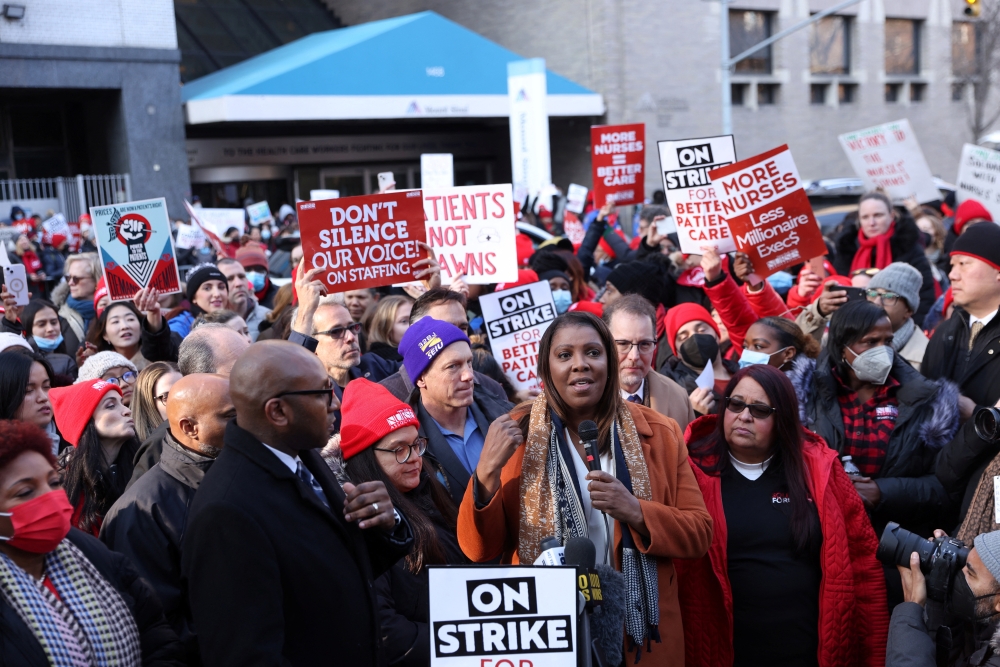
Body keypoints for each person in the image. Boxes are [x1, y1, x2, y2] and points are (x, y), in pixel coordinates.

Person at [458, 311, 713, 666]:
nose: (580, 365)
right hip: (547, 634)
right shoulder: (515, 433)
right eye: (565, 355)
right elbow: (477, 550)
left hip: (639, 640)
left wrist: (637, 511)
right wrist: (485, 473)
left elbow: (700, 533)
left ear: (610, 362)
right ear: (546, 369)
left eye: (593, 352)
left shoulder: (662, 432)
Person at [181, 341, 413, 666]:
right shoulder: (226, 511)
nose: (335, 403)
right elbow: (246, 654)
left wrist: (387, 524)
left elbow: (328, 575)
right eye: (321, 393)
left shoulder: (301, 453)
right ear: (278, 412)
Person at [678, 364, 888, 666]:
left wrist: (875, 656)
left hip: (806, 652)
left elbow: (863, 566)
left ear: (783, 419)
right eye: (735, 404)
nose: (744, 416)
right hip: (722, 653)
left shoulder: (820, 470)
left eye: (760, 410)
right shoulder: (690, 470)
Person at [0, 420, 184, 665]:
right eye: (25, 492)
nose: (50, 498)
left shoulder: (91, 552)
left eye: (54, 483)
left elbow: (154, 633)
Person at [102, 373, 234, 665]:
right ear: (190, 427)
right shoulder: (141, 511)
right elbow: (161, 626)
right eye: (231, 416)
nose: (245, 424)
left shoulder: (242, 473)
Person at [801, 300, 958, 541]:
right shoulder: (806, 394)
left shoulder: (923, 401)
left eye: (888, 341)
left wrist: (882, 492)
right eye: (870, 342)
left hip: (893, 541)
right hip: (822, 536)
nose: (883, 351)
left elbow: (942, 487)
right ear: (842, 346)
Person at [340, 379, 466, 666]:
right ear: (366, 458)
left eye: (416, 445)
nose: (414, 459)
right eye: (399, 449)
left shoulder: (431, 490)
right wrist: (460, 643)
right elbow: (384, 627)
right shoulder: (359, 518)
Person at [393, 318, 513, 506]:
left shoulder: (506, 414)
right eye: (453, 366)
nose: (468, 375)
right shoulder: (406, 446)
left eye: (469, 362)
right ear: (421, 378)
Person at [929, 222, 1000, 534]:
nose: (952, 274)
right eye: (952, 264)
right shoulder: (945, 331)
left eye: (965, 264)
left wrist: (977, 416)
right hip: (939, 492)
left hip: (988, 503)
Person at [128, 324, 250, 489]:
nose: (252, 377)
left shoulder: (258, 416)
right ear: (202, 378)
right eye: (237, 370)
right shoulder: (160, 446)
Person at [887, 528, 1000, 666]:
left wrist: (910, 615)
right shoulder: (987, 626)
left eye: (970, 573)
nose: (959, 571)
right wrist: (939, 598)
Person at [50, 378, 141, 535]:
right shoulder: (60, 486)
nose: (127, 411)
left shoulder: (142, 465)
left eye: (122, 403)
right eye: (111, 405)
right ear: (84, 423)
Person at [833, 192, 935, 325]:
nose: (871, 223)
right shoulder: (847, 249)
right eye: (865, 217)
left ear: (891, 215)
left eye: (878, 215)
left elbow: (925, 296)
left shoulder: (909, 247)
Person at [604, 294, 694, 430]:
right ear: (605, 343)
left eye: (644, 344)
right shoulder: (584, 397)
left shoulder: (679, 398)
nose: (634, 356)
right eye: (623, 344)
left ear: (655, 344)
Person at [659, 302, 737, 415]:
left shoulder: (741, 372)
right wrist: (693, 415)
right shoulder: (669, 390)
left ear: (716, 333)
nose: (695, 338)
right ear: (677, 352)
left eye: (702, 330)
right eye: (684, 337)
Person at [84, 288, 176, 370]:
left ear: (141, 328)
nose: (125, 326)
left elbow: (159, 346)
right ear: (105, 334)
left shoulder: (160, 358)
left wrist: (153, 313)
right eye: (115, 322)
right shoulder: (101, 368)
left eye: (130, 319)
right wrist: (92, 364)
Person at [863, 262, 929, 372]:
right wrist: (823, 315)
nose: (877, 302)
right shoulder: (852, 339)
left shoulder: (925, 357)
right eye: (872, 293)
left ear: (908, 310)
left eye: (889, 296)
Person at [1, 295, 78, 377]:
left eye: (54, 322)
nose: (50, 329)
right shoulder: (22, 360)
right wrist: (9, 323)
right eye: (41, 324)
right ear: (27, 327)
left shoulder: (69, 358)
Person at [0, 350, 60, 452]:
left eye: (46, 387)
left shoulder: (75, 439)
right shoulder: (5, 458)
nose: (43, 397)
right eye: (28, 390)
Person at [217, 257, 271, 341]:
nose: (238, 283)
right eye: (230, 279)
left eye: (241, 276)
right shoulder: (211, 325)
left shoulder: (268, 317)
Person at [168, 263, 229, 338]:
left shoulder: (234, 318)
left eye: (221, 287)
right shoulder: (183, 323)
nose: (217, 294)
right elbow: (168, 343)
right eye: (207, 288)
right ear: (194, 298)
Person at [55, 252, 101, 344]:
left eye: (76, 279)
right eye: (68, 278)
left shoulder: (115, 311)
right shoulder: (59, 314)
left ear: (96, 280)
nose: (70, 283)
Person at [131, 361, 182, 442]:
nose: (180, 401)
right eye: (167, 397)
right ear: (147, 403)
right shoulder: (142, 449)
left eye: (183, 392)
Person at [361, 294, 412, 364]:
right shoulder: (375, 365)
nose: (414, 324)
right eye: (404, 321)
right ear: (385, 328)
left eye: (417, 318)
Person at [234, 244, 279, 309]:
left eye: (259, 269)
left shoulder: (279, 296)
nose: (253, 273)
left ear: (266, 272)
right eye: (247, 269)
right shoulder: (233, 298)